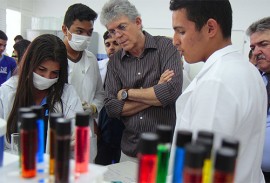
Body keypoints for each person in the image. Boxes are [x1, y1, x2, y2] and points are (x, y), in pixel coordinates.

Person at [169, 0, 266, 182]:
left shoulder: (216, 81)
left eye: (181, 31)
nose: (175, 41)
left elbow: (201, 169)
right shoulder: (247, 70)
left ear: (211, 28)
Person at [100, 0, 183, 160]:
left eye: (122, 27)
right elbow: (111, 107)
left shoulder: (166, 47)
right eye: (112, 31)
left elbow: (170, 92)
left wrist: (126, 93)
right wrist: (155, 92)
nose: (117, 36)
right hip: (129, 151)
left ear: (138, 22)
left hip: (162, 153)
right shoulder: (116, 61)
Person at [0, 34, 83, 149]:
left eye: (55, 72)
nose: (47, 77)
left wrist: (76, 139)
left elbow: (77, 128)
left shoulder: (67, 94)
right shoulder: (6, 92)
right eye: (41, 69)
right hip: (15, 164)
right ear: (29, 64)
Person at [61, 3, 104, 118]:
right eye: (79, 32)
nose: (85, 36)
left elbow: (100, 93)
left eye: (89, 32)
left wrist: (93, 107)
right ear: (65, 29)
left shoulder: (91, 59)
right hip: (61, 125)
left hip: (86, 126)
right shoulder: (54, 58)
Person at [247, 16, 270, 183]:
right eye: (253, 47)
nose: (256, 52)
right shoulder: (256, 79)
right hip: (257, 174)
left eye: (263, 44)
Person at [95, 30, 124, 165]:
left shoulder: (131, 68)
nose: (111, 47)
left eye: (115, 43)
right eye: (107, 44)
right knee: (101, 164)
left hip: (123, 126)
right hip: (103, 125)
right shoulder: (99, 67)